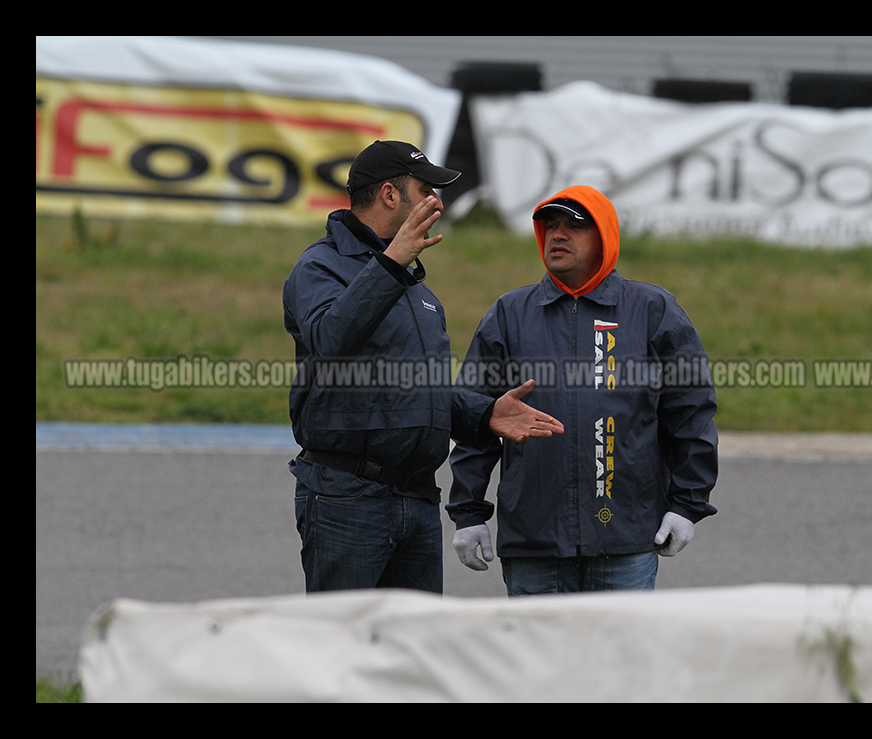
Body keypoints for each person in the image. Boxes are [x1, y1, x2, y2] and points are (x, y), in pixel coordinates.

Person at [283, 140, 563, 595]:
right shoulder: (320, 267)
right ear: (391, 196)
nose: (438, 200)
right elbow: (329, 341)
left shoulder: (416, 287)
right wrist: (391, 262)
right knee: (342, 648)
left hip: (415, 499)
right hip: (347, 498)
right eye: (426, 188)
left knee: (413, 653)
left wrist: (482, 413)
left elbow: (410, 387)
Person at [447, 185, 719, 596]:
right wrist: (468, 512)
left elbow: (691, 412)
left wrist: (686, 505)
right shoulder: (509, 314)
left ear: (605, 237)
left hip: (625, 542)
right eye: (550, 226)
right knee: (537, 663)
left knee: (619, 661)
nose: (558, 235)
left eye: (574, 226)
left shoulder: (652, 310)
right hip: (533, 544)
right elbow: (475, 416)